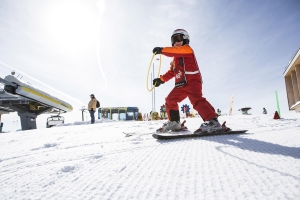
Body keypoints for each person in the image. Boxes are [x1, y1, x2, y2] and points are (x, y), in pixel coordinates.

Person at [152, 29, 222, 133]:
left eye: (178, 38)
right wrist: (161, 80)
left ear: (185, 39)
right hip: (181, 85)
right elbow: (172, 72)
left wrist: (161, 50)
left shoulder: (187, 50)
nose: (176, 42)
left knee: (196, 100)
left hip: (193, 80)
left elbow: (175, 51)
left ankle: (213, 122)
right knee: (170, 99)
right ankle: (175, 123)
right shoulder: (175, 60)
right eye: (173, 40)